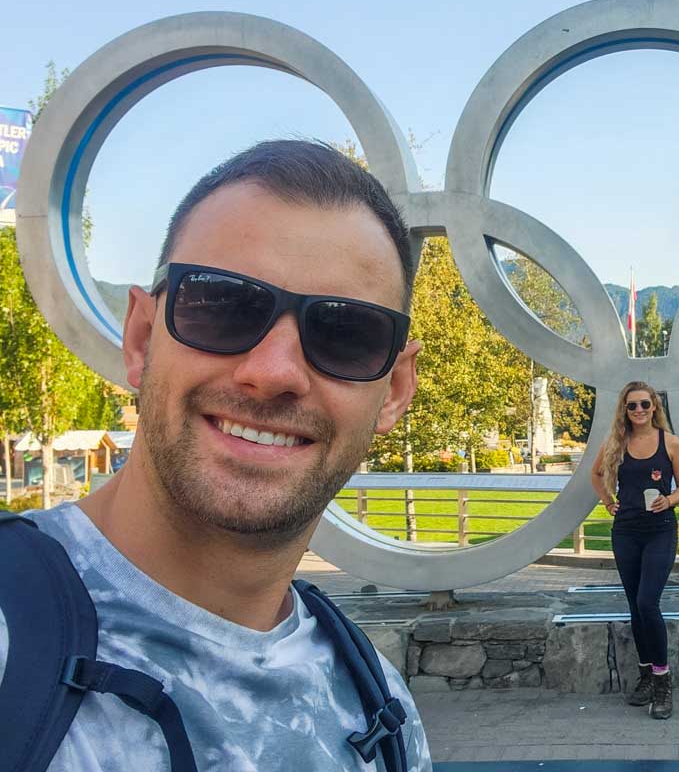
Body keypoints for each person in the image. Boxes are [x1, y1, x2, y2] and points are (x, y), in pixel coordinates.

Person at [0, 140, 432, 770]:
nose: (274, 372)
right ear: (142, 339)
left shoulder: (381, 711)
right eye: (223, 307)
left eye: (345, 333)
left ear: (392, 392)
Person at [590, 381, 679, 720]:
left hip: (660, 531)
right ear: (625, 409)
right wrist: (608, 502)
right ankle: (646, 673)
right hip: (626, 532)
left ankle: (663, 681)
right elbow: (596, 473)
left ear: (654, 407)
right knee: (635, 606)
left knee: (649, 602)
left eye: (645, 404)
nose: (639, 411)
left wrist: (669, 500)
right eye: (632, 406)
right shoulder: (616, 442)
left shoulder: (671, 442)